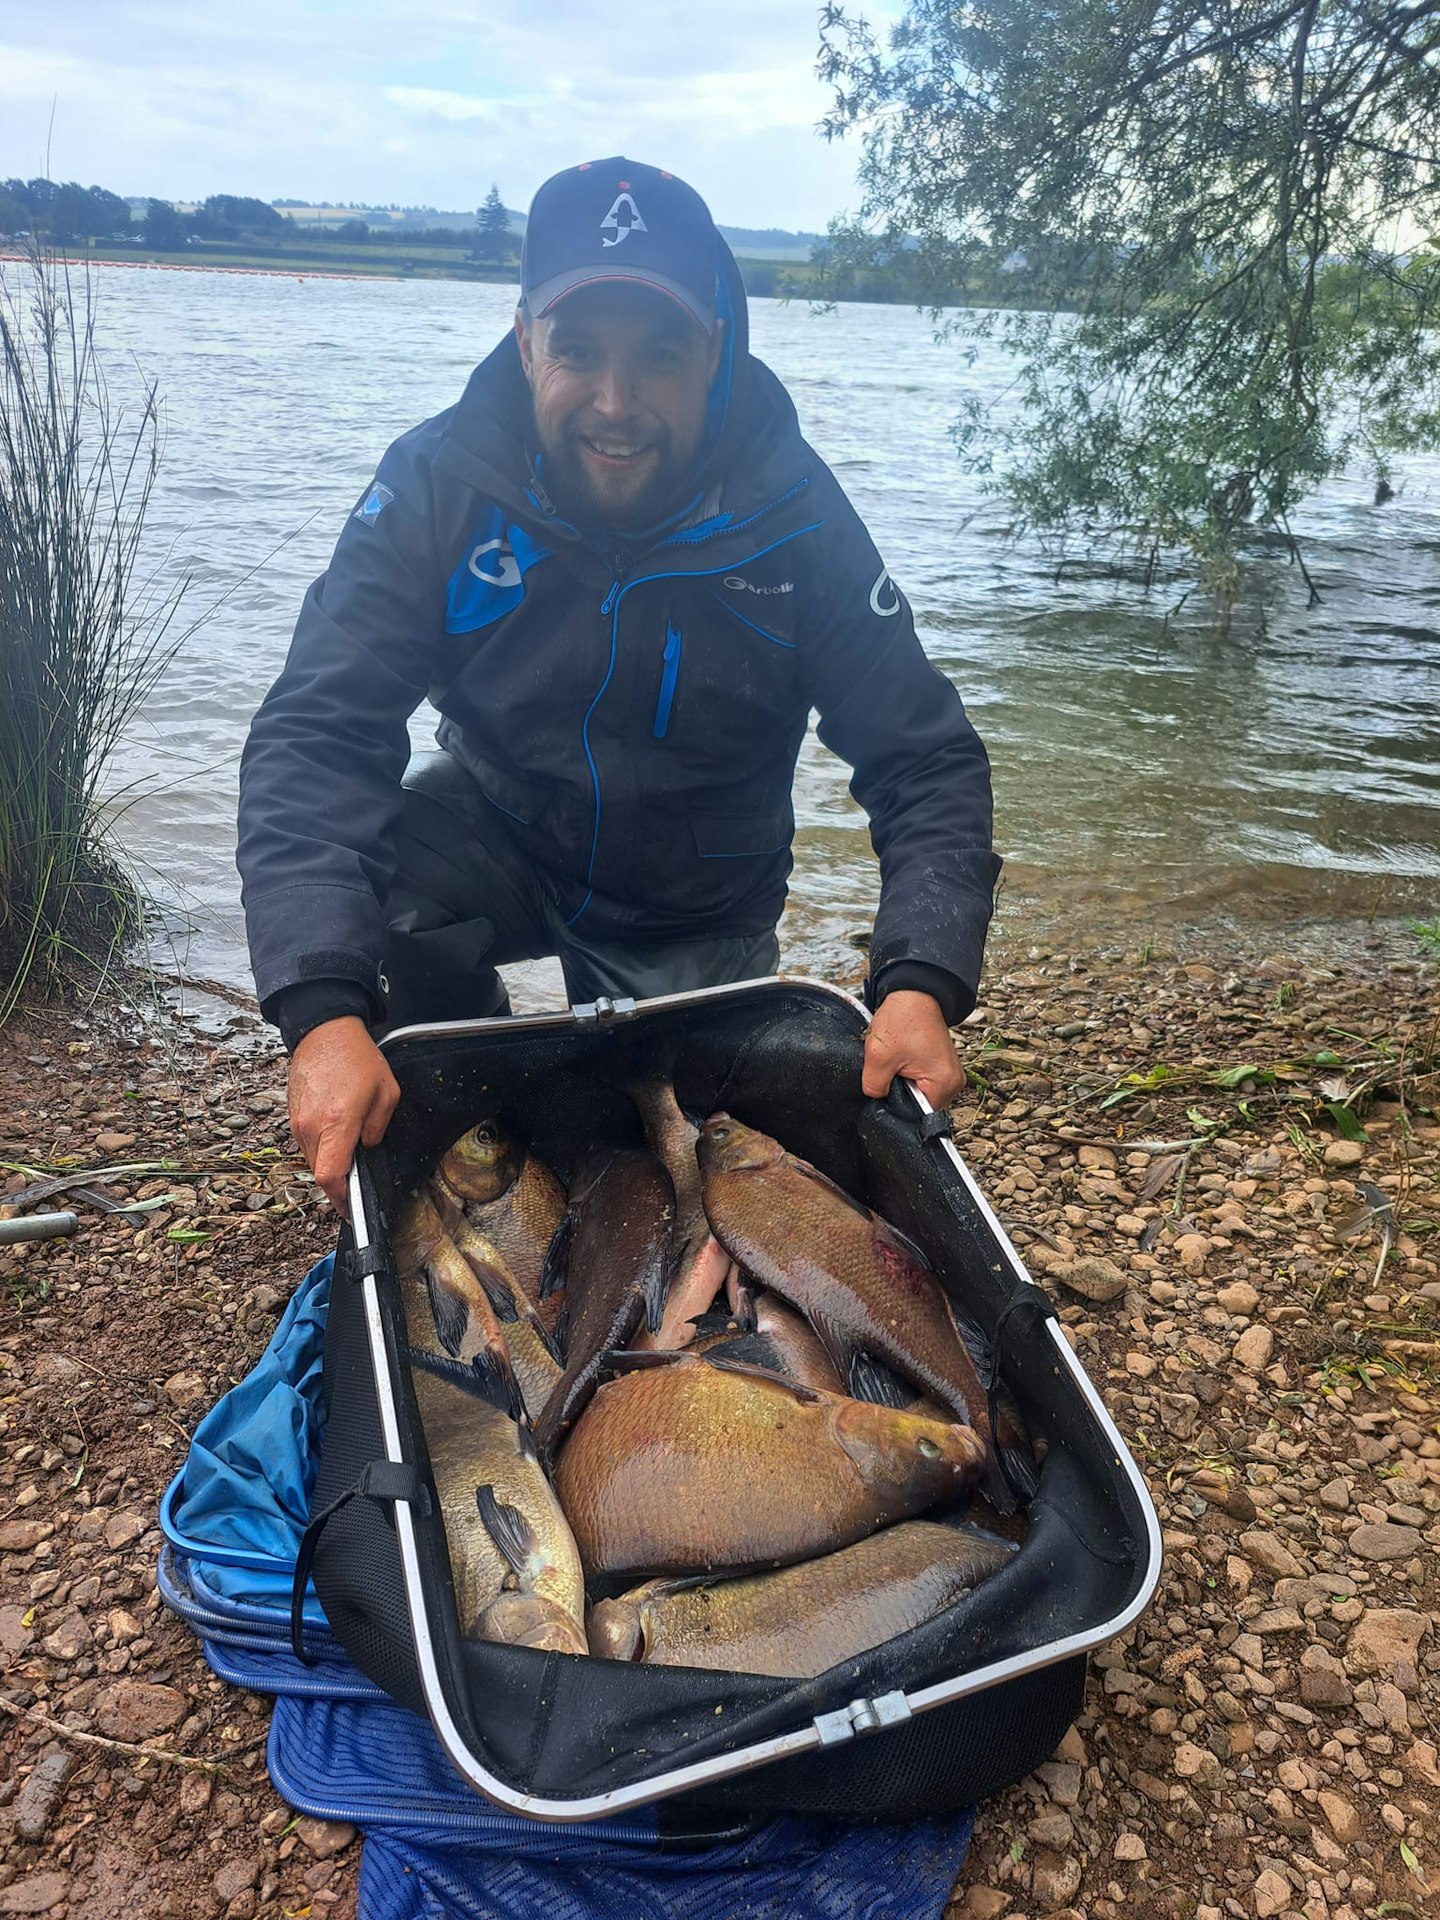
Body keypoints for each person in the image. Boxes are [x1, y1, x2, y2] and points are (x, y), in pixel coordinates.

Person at [237, 157, 1001, 1209]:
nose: (614, 401)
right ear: (523, 341)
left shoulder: (796, 513)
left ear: (715, 355)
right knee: (386, 912)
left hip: (691, 891)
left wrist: (918, 982)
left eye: (658, 356)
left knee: (674, 1173)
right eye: (578, 352)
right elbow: (318, 733)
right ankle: (475, 1106)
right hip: (501, 828)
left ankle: (594, 1113)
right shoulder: (438, 484)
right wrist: (321, 1012)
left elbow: (924, 757)